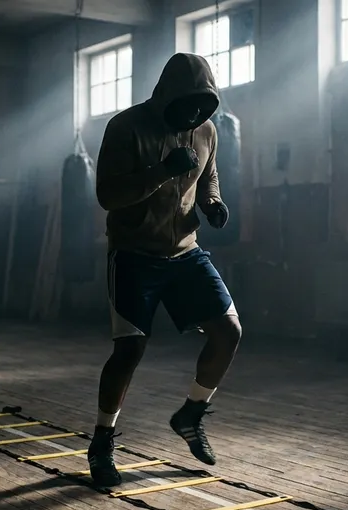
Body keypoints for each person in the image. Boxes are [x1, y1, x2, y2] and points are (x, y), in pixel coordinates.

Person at [87, 53, 242, 487]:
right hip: (134, 253)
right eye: (187, 104)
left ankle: (191, 415)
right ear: (166, 97)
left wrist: (213, 204)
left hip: (185, 251)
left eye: (203, 105)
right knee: (129, 350)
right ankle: (102, 442)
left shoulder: (207, 130)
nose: (194, 114)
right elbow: (108, 195)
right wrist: (159, 172)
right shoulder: (125, 127)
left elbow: (209, 177)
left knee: (229, 332)